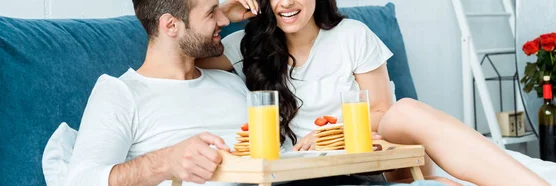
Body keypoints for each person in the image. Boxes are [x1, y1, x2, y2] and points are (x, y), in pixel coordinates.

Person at [197, 0, 550, 185]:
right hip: (318, 172)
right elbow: (188, 60)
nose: (286, 3)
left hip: (376, 152)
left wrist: (332, 135)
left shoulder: (351, 34)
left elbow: (383, 112)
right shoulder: (248, 46)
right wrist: (228, 10)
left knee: (405, 110)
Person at [64, 0, 402, 185]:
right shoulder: (121, 92)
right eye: (213, 12)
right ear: (170, 25)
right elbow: (78, 181)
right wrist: (165, 162)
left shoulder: (230, 78)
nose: (225, 19)